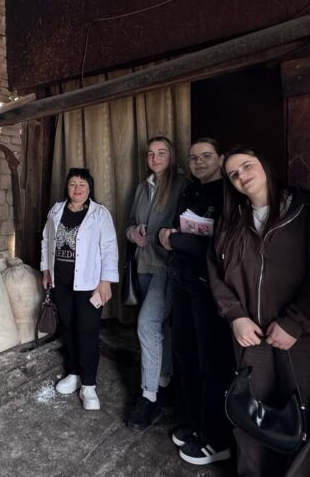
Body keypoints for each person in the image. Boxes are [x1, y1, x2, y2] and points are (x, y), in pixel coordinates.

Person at [209, 146, 310, 477]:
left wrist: (294, 322)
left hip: (308, 337)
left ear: (264, 165)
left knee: (309, 416)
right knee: (251, 412)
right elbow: (215, 272)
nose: (242, 176)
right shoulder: (231, 220)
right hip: (251, 335)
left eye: (247, 166)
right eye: (233, 174)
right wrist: (235, 316)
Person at [157, 138, 235, 466]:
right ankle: (194, 422)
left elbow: (222, 246)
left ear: (221, 159)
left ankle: (216, 438)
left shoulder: (230, 194)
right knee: (184, 353)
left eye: (206, 156)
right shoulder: (190, 190)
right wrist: (172, 238)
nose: (199, 161)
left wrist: (175, 240)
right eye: (193, 158)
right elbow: (179, 231)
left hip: (210, 289)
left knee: (212, 362)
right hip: (183, 281)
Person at [41, 167, 119, 411]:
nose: (77, 189)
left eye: (82, 185)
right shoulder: (56, 210)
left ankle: (88, 385)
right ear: (67, 187)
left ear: (89, 188)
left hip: (88, 283)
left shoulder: (99, 213)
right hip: (61, 282)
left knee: (87, 331)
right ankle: (73, 373)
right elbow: (46, 241)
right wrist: (46, 270)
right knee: (67, 327)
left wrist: (106, 281)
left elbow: (109, 247)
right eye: (73, 184)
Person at [125, 137, 186, 431]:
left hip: (166, 267)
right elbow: (129, 224)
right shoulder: (142, 187)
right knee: (161, 327)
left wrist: (167, 236)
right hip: (143, 265)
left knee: (147, 325)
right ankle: (164, 382)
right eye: (150, 153)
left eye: (161, 152)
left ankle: (149, 396)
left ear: (171, 155)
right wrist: (133, 233)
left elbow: (188, 227)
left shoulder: (182, 185)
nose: (155, 157)